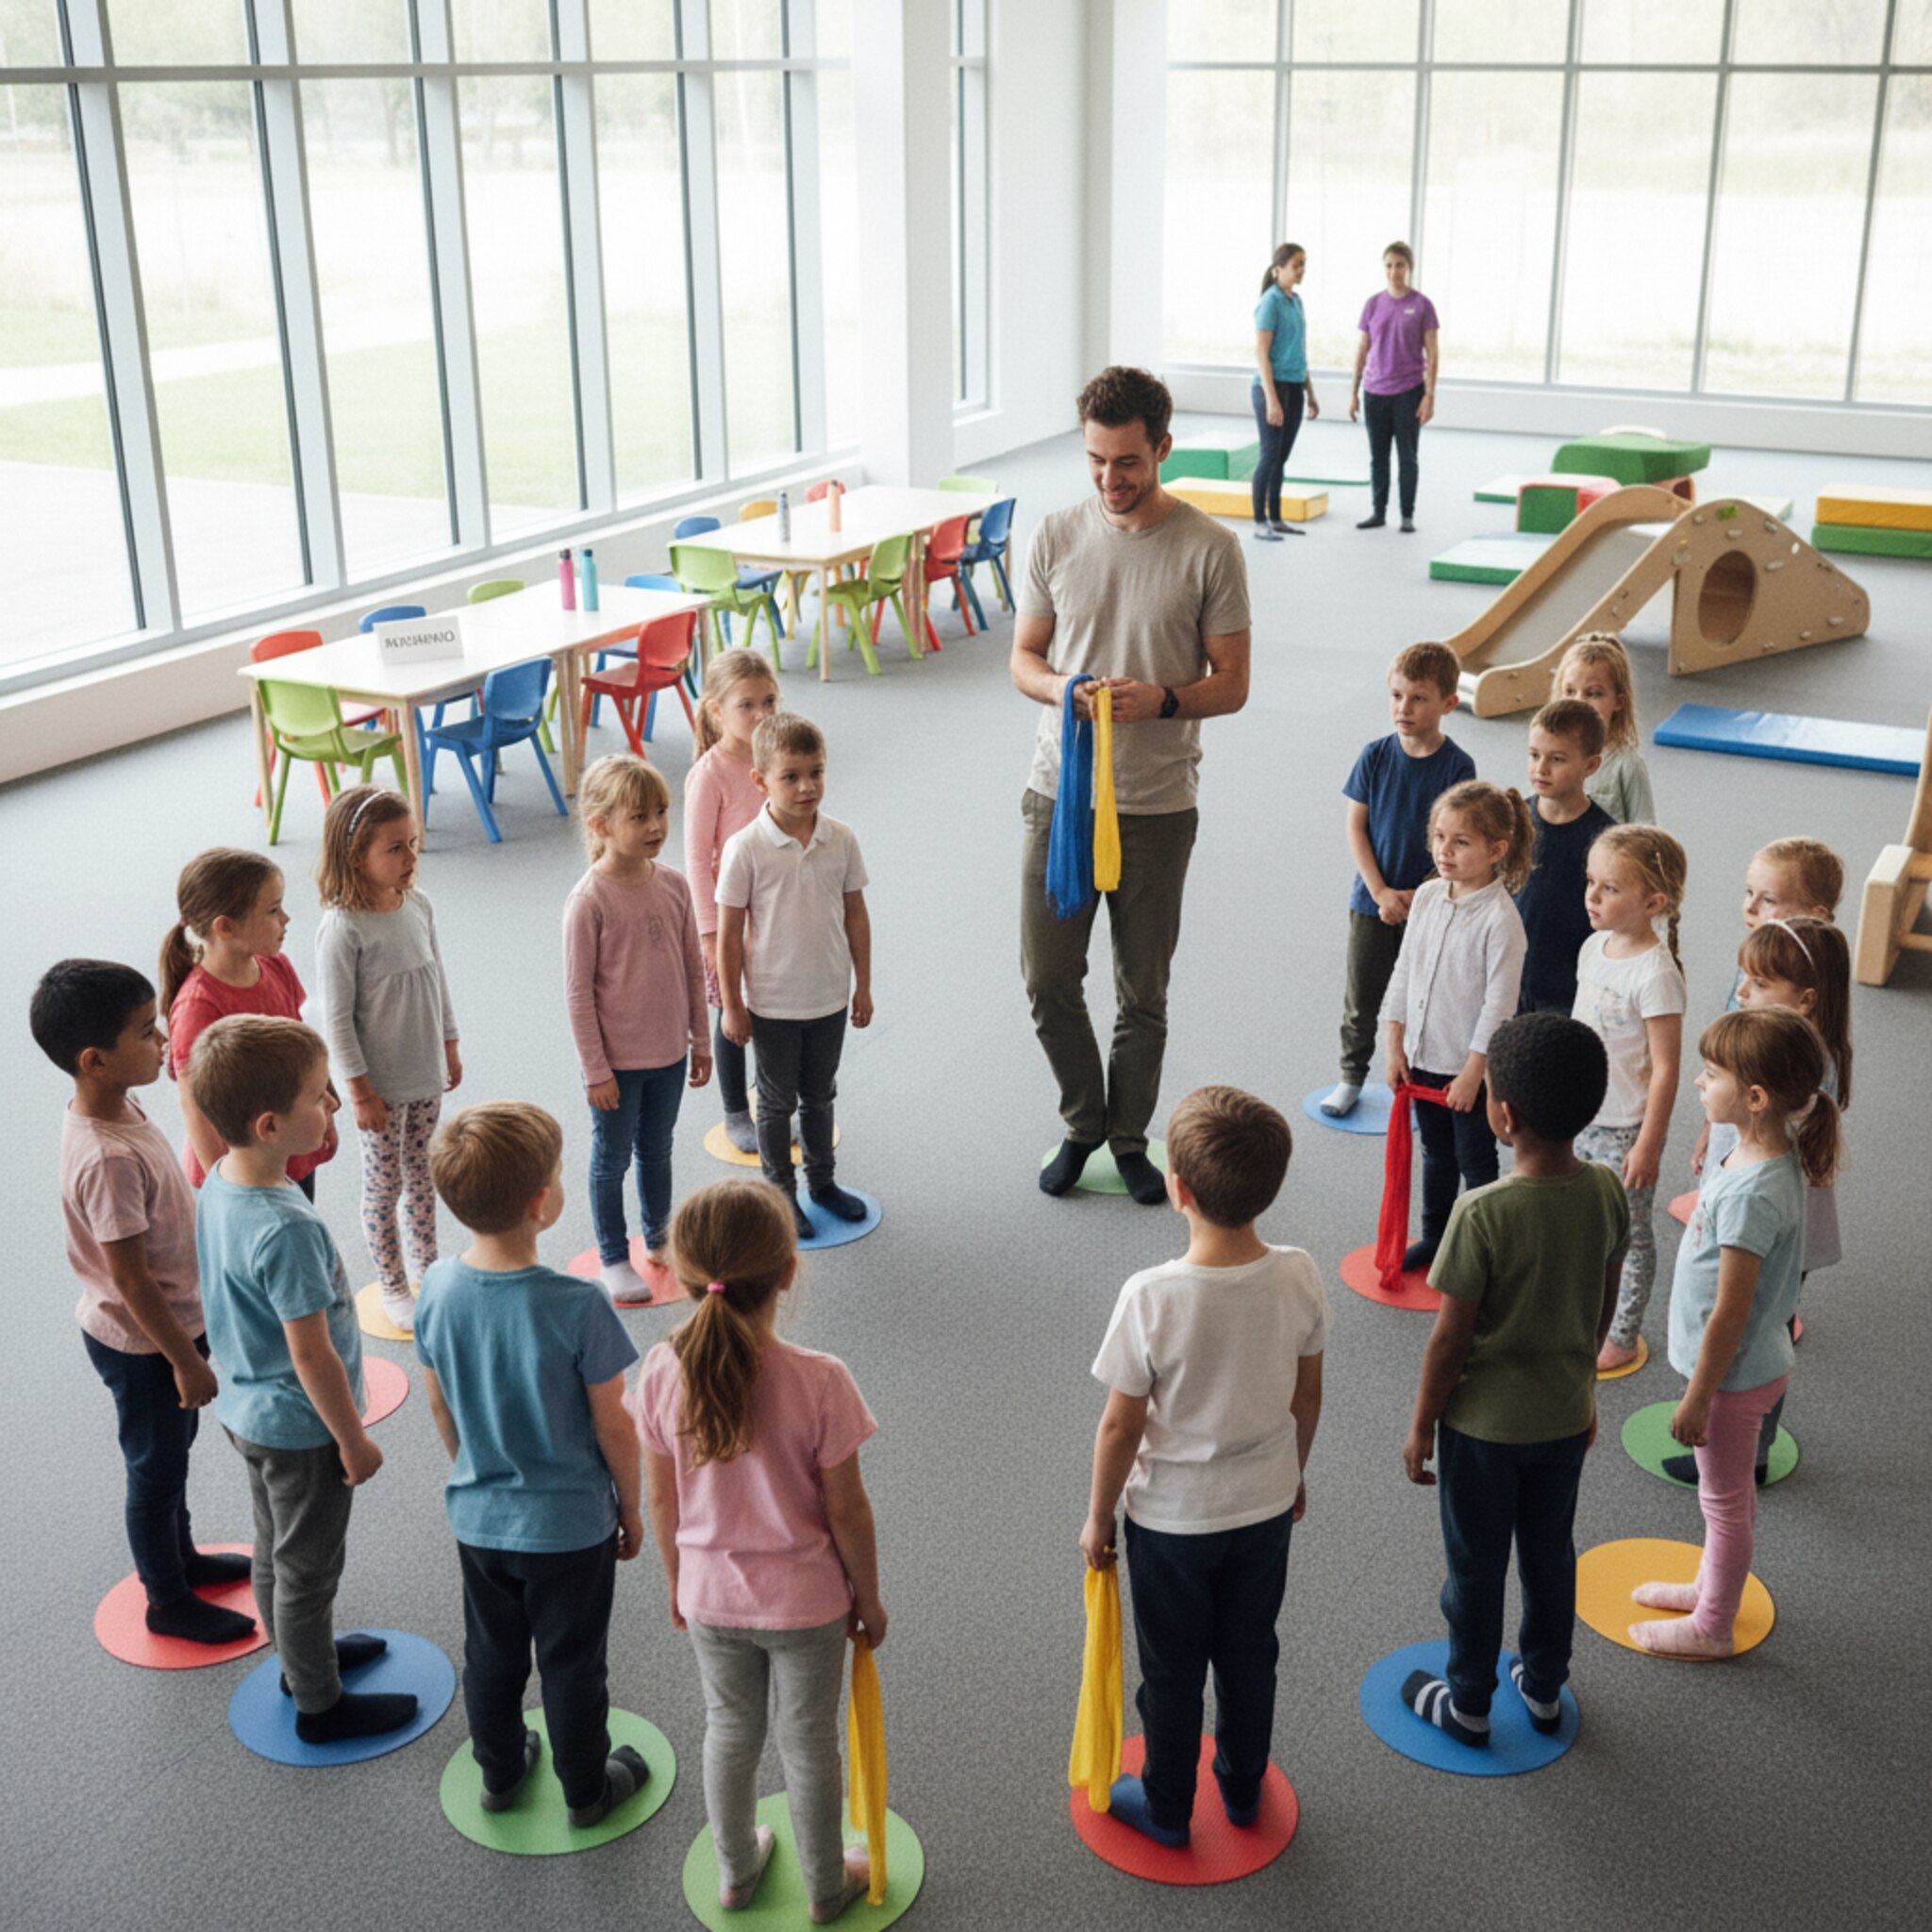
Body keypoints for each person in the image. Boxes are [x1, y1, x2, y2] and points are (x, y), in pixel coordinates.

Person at [1011, 366, 1252, 1204]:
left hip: (1157, 806)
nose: (1110, 481)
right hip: (1061, 795)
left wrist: (1167, 699)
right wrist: (1061, 688)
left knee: (1141, 991)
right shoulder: (1055, 535)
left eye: (1127, 463)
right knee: (1048, 981)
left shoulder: (1210, 549)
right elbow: (1025, 659)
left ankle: (1129, 1135)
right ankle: (1084, 1123)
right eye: (1096, 461)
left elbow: (1234, 683)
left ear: (1162, 450)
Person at [1081, 1087, 1326, 1846]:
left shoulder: (1151, 1296)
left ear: (1177, 1191)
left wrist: (1097, 1517)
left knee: (1172, 1672)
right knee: (1251, 1656)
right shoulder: (1299, 1273)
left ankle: (1166, 1809)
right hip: (1264, 1509)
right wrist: (1294, 1472)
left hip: (1170, 1524)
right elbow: (1305, 1394)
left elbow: (1122, 1425)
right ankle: (1245, 1790)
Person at [635, 1179, 883, 1923]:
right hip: (807, 1605)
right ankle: (824, 1886)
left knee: (729, 1730)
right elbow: (849, 1512)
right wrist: (867, 1598)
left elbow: (662, 1501)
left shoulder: (658, 1373)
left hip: (710, 1598)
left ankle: (736, 1873)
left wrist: (679, 1585)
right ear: (785, 1271)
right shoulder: (822, 1379)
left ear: (683, 1277)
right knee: (809, 1745)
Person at [416, 1102, 649, 1828]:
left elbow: (440, 1404)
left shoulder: (438, 1289)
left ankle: (501, 1772)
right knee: (573, 1663)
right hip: (571, 1528)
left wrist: (476, 1471)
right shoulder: (579, 1304)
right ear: (540, 1202)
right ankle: (587, 1790)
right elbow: (614, 1422)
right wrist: (632, 1506)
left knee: (491, 1654)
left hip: (480, 1519)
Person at [1399, 1013, 1628, 1746]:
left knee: (1476, 1565)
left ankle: (1466, 1699)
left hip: (1481, 1430)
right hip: (1563, 1418)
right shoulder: (1604, 1191)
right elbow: (1605, 1299)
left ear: (1502, 1115)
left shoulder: (1481, 1211)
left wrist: (1420, 1425)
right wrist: (1582, 1385)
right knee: (1549, 1556)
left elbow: (1449, 1339)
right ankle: (1543, 1687)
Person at [192, 1013, 414, 1741]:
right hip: (302, 1428)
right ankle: (319, 1703)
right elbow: (312, 1352)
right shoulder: (288, 1227)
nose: (334, 1107)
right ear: (269, 1124)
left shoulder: (222, 1181)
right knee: (308, 1569)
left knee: (275, 1549)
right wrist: (352, 1440)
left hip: (248, 1412)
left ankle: (300, 1658)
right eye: (320, 1096)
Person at [31, 958, 254, 1645]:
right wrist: (184, 1359)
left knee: (174, 1454)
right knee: (155, 1469)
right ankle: (166, 1599)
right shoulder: (105, 1158)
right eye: (147, 1033)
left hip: (170, 1328)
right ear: (95, 1061)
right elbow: (128, 1279)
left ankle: (182, 1559)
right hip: (143, 1342)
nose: (162, 1043)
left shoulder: (121, 1102)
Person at [1630, 1009, 1837, 1658]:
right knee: (1727, 1500)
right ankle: (1709, 1588)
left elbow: (1731, 1312)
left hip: (1732, 1378)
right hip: (1744, 1369)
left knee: (1724, 1505)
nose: (1698, 1082)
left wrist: (1697, 1396)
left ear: (1755, 1097)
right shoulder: (1755, 1150)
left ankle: (1713, 1624)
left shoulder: (1753, 1193)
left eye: (1711, 1074)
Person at [1664, 915, 1851, 1487]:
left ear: (1807, 1000)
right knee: (1764, 1316)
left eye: (1759, 984)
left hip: (1766, 1224)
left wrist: (1698, 1398)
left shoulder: (1798, 1072)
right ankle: (1740, 1434)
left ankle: (1752, 1448)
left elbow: (1733, 1311)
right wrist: (1706, 1140)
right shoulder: (1761, 1068)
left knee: (1764, 1317)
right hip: (1743, 1202)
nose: (1742, 993)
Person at [716, 714, 873, 1243]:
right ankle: (779, 1192)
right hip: (773, 1003)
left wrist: (863, 985)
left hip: (827, 996)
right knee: (778, 1103)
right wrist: (733, 1006)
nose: (807, 787)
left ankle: (822, 1184)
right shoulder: (745, 848)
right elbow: (729, 933)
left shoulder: (842, 839)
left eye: (816, 773)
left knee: (821, 1095)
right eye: (791, 776)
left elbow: (856, 915)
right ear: (760, 780)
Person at [313, 785, 461, 1333]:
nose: (410, 859)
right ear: (357, 857)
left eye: (413, 844)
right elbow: (336, 1020)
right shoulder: (343, 928)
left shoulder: (418, 906)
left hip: (424, 1073)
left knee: (422, 1173)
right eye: (394, 849)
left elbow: (436, 978)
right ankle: (394, 1283)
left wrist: (450, 1041)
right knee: (385, 1185)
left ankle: (426, 1265)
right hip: (379, 1087)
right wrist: (359, 1092)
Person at [565, 755, 711, 1300]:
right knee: (612, 1157)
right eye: (639, 817)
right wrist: (595, 1070)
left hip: (669, 1053)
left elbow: (692, 969)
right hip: (617, 1067)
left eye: (661, 812)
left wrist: (699, 1039)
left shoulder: (673, 886)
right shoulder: (588, 902)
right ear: (601, 826)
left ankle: (657, 1236)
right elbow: (578, 995)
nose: (655, 826)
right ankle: (611, 1254)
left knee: (658, 1148)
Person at [1381, 780, 1532, 1274]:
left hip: (1467, 1070)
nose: (1444, 850)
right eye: (1439, 837)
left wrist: (1473, 1074)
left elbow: (1499, 1006)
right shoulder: (1426, 896)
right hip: (1423, 1057)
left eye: (1461, 842)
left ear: (1496, 851)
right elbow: (1404, 970)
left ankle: (1486, 1250)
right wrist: (1394, 1044)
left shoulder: (1500, 920)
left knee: (1476, 1161)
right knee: (1435, 1154)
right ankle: (1436, 1237)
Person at [1322, 641, 1475, 1119]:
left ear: (1448, 704)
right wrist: (1380, 892)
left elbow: (1459, 839)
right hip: (1372, 902)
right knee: (1362, 996)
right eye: (1396, 696)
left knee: (1421, 996)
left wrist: (1423, 891)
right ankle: (1351, 1076)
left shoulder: (1458, 767)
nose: (1403, 709)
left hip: (1432, 904)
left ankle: (1410, 1078)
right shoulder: (1375, 756)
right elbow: (1356, 828)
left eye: (1418, 698)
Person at [1574, 825, 1688, 1372]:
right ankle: (1582, 1310)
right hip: (1581, 1112)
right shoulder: (1593, 946)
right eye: (1590, 881)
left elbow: (1666, 1069)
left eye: (1610, 888)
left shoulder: (1656, 974)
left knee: (1630, 1234)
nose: (1593, 896)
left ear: (1653, 903)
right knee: (1582, 1219)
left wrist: (1649, 1144)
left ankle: (1621, 1331)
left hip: (1625, 1126)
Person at [160, 847, 337, 1201]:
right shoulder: (199, 1007)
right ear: (225, 927)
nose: (286, 919)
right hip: (243, 1168)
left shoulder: (276, 966)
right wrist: (228, 1193)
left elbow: (301, 1041)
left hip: (286, 1140)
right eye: (273, 910)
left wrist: (324, 1101)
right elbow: (195, 1108)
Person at [1690, 836, 1844, 1176]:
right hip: (1731, 1123)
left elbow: (1796, 1149)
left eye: (1768, 899)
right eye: (1749, 893)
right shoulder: (1753, 967)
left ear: (1813, 915)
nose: (1750, 907)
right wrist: (1709, 1129)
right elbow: (1726, 1058)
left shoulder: (1808, 1054)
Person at [686, 648, 783, 1156]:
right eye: (748, 705)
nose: (763, 714)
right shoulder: (709, 775)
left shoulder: (776, 760)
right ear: (716, 711)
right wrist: (709, 932)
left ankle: (771, 1099)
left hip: (776, 905)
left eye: (769, 701)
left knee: (770, 1005)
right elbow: (698, 859)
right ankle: (734, 1110)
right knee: (733, 1011)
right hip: (728, 918)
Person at [1517, 699, 1616, 1014]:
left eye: (1557, 759)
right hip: (1508, 977)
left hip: (1568, 989)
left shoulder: (1606, 839)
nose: (1540, 769)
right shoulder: (1512, 818)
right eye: (1534, 755)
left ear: (1591, 765)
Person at [1349, 242, 1439, 533]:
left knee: (1407, 456)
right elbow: (1362, 349)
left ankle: (1407, 514)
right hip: (1375, 391)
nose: (1394, 271)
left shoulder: (1422, 305)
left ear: (1408, 268)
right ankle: (1378, 511)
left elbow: (1433, 352)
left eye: (1400, 265)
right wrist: (1353, 392)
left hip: (1409, 391)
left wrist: (1429, 395)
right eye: (1389, 265)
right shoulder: (1373, 304)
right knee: (1378, 456)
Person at [1250, 242, 1320, 542]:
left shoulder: (1296, 302)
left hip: (1294, 385)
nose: (1301, 270)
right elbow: (1262, 353)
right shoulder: (1271, 301)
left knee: (1281, 458)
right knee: (1268, 455)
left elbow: (1299, 353)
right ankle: (1259, 521)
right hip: (1271, 386)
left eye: (1304, 263)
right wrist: (1271, 399)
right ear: (1279, 269)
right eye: (1296, 264)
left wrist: (1311, 392)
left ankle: (1276, 518)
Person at [1556, 633, 1657, 825]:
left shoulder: (1628, 766)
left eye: (1593, 694)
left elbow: (1646, 835)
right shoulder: (1551, 756)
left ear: (1619, 701)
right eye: (1570, 692)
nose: (1579, 702)